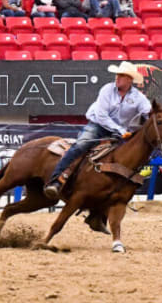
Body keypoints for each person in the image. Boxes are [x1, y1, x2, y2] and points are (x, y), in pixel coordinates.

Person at [44, 61, 151, 200]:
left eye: (121, 75)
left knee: (129, 156)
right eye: (117, 75)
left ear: (130, 80)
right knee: (80, 146)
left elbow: (148, 111)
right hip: (98, 125)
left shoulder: (138, 97)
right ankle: (56, 181)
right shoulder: (107, 89)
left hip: (119, 131)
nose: (117, 78)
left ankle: (118, 191)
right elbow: (101, 116)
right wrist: (120, 130)